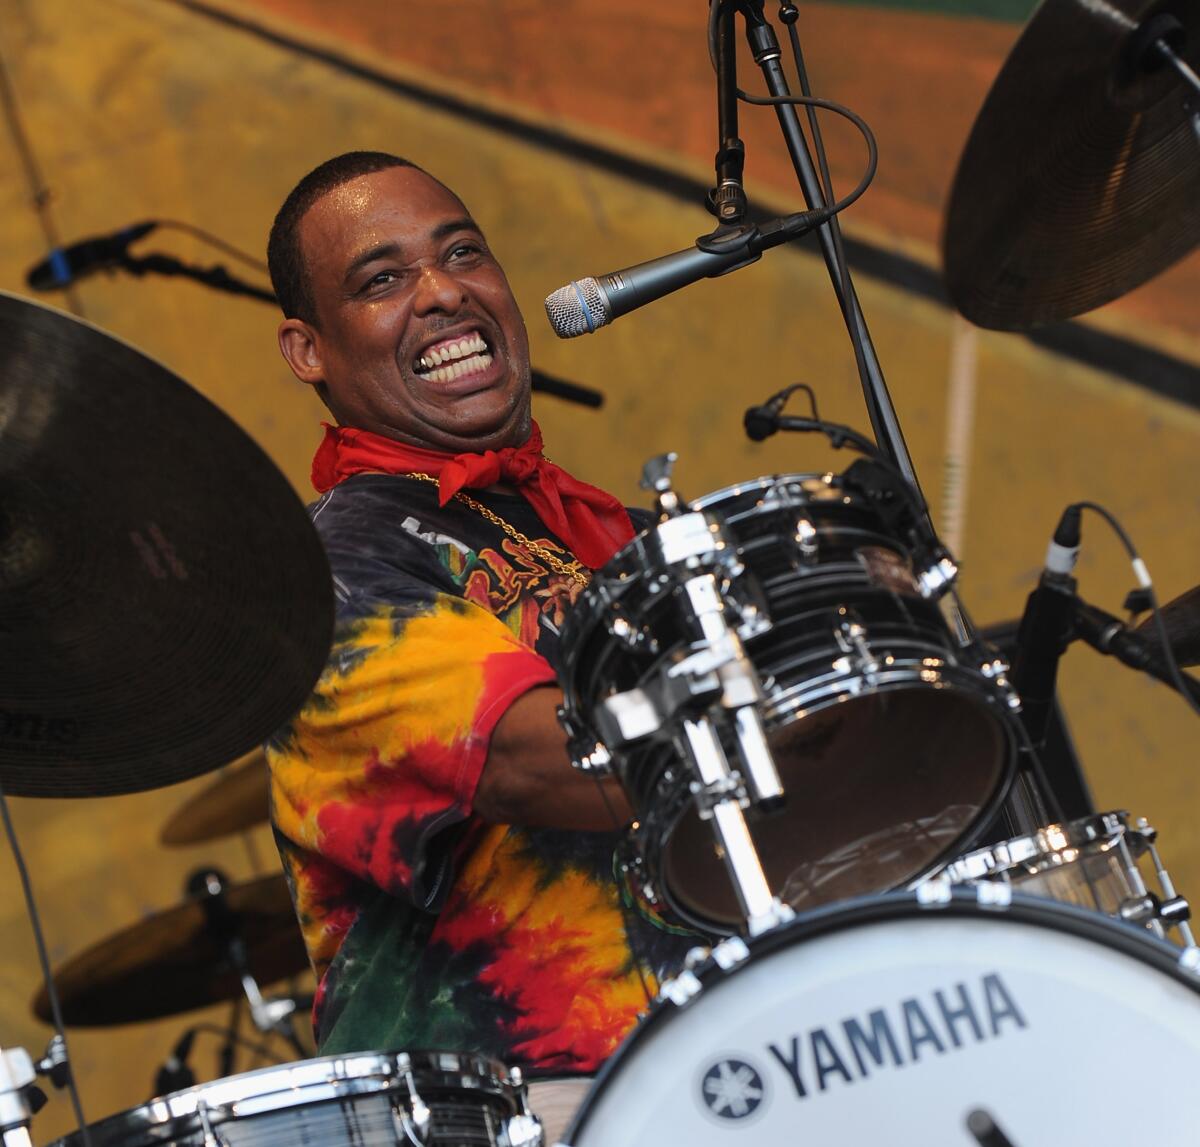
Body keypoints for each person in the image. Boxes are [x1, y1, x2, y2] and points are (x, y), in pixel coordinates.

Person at [264, 152, 696, 1082]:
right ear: (309, 351)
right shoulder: (328, 572)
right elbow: (534, 758)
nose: (442, 292)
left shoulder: (588, 527)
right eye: (382, 280)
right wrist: (795, 705)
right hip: (517, 1100)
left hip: (709, 1051)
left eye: (464, 254)